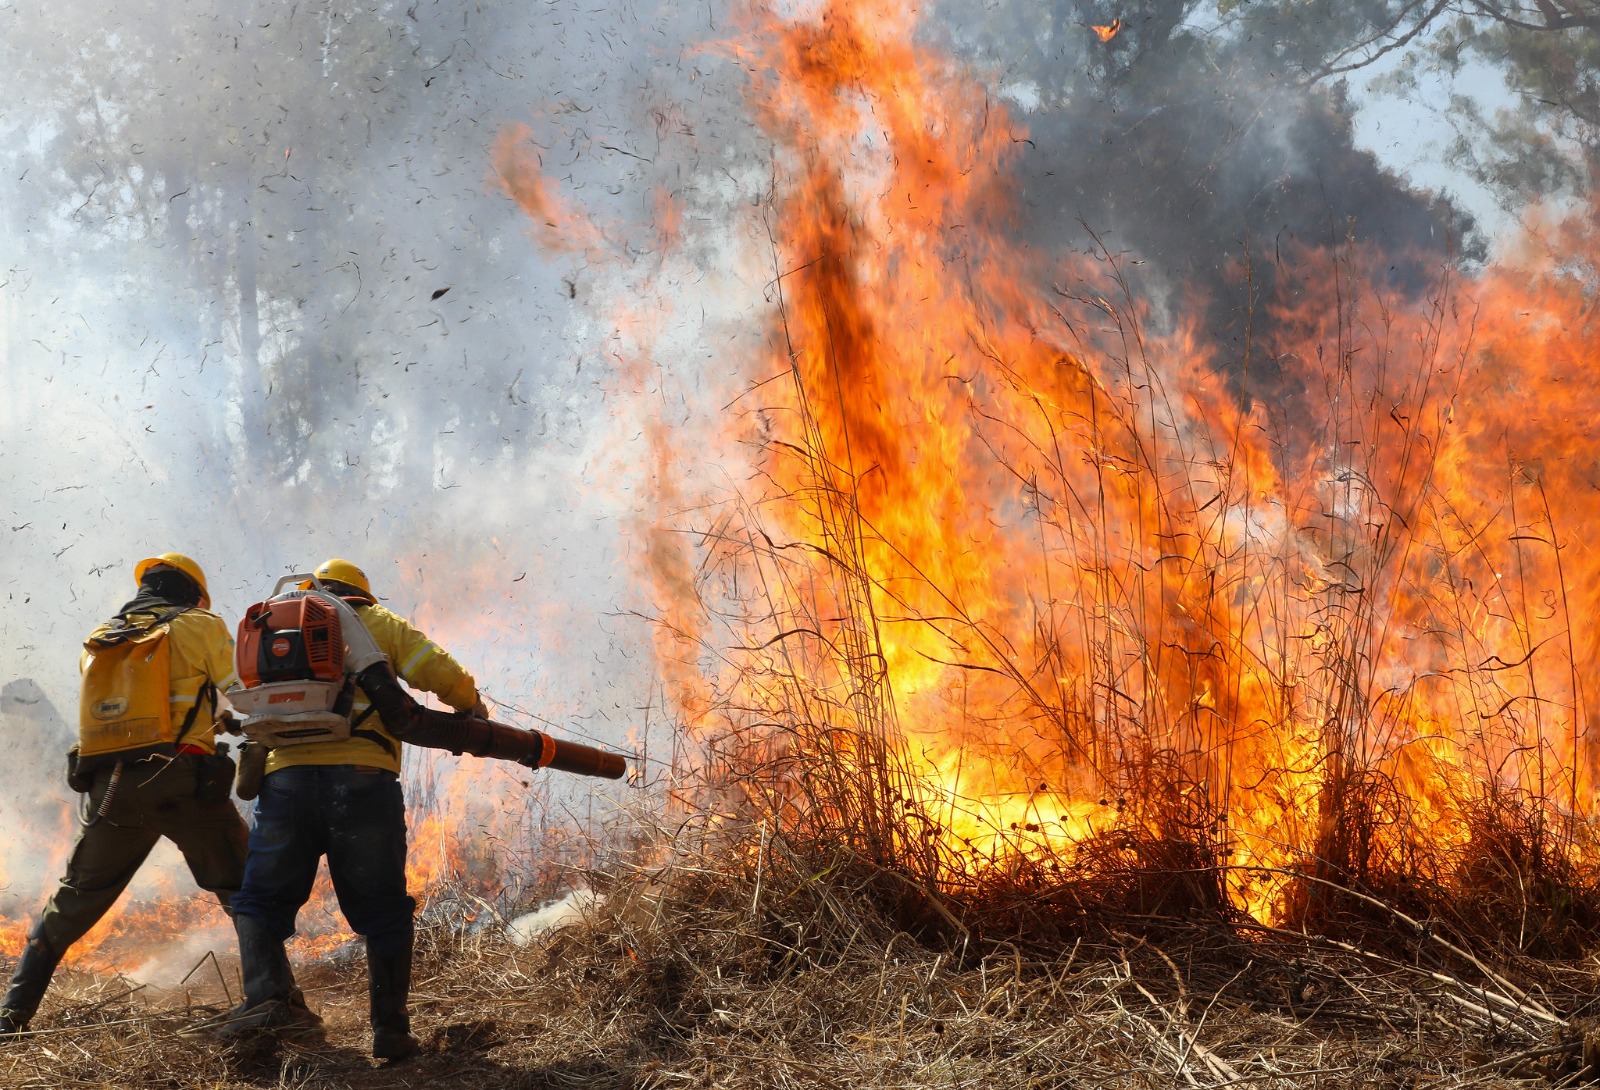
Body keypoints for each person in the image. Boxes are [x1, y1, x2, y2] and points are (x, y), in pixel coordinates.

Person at [221, 558, 482, 1061]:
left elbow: (241, 698)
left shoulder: (271, 625)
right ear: (362, 593)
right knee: (383, 910)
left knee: (259, 902)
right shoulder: (374, 622)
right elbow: (442, 673)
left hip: (285, 785)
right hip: (362, 782)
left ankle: (264, 1009)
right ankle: (390, 1031)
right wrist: (471, 706)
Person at [0, 554, 251, 1037]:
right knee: (244, 890)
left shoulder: (103, 638)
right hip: (183, 782)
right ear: (192, 594)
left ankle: (12, 1015)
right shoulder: (200, 623)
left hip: (109, 789)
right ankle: (276, 1000)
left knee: (73, 900)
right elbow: (238, 693)